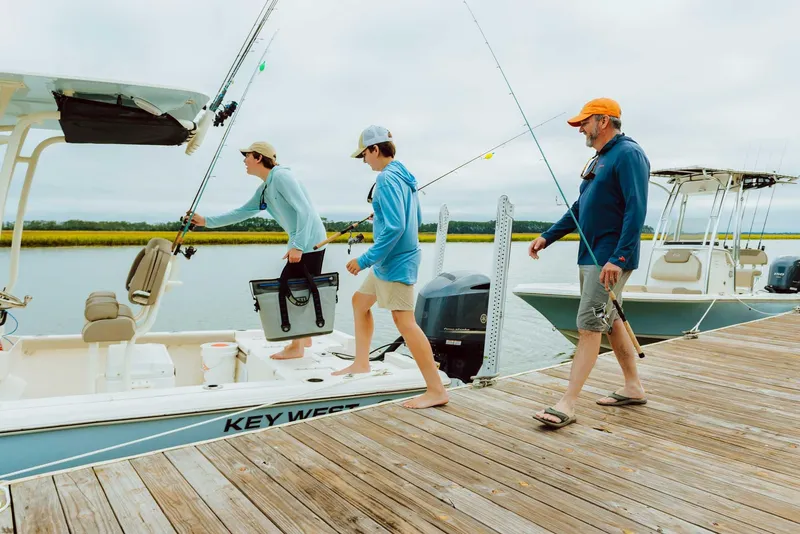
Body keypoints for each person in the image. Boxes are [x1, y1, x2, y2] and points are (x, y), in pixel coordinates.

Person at [529, 98, 650, 428]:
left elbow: (636, 209)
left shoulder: (628, 154)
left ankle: (567, 403)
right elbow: (581, 207)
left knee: (587, 324)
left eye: (584, 122)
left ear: (604, 121)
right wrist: (549, 236)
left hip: (610, 258)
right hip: (591, 254)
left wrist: (620, 257)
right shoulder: (600, 159)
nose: (580, 128)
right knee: (610, 322)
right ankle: (633, 386)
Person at [333, 125, 449, 410]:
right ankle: (362, 363)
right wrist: (381, 217)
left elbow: (397, 226)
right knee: (360, 302)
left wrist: (363, 260)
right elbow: (414, 219)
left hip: (396, 262)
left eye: (364, 155)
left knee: (405, 323)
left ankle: (436, 390)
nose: (364, 161)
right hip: (389, 260)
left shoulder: (386, 178)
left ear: (375, 149)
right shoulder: (404, 176)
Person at [186, 141, 328, 360]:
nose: (244, 160)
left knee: (290, 288)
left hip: (311, 241)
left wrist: (297, 245)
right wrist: (206, 221)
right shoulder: (265, 188)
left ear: (259, 158)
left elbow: (305, 211)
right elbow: (242, 212)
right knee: (297, 287)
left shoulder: (281, 177)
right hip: (304, 242)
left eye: (247, 156)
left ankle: (297, 347)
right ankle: (304, 338)